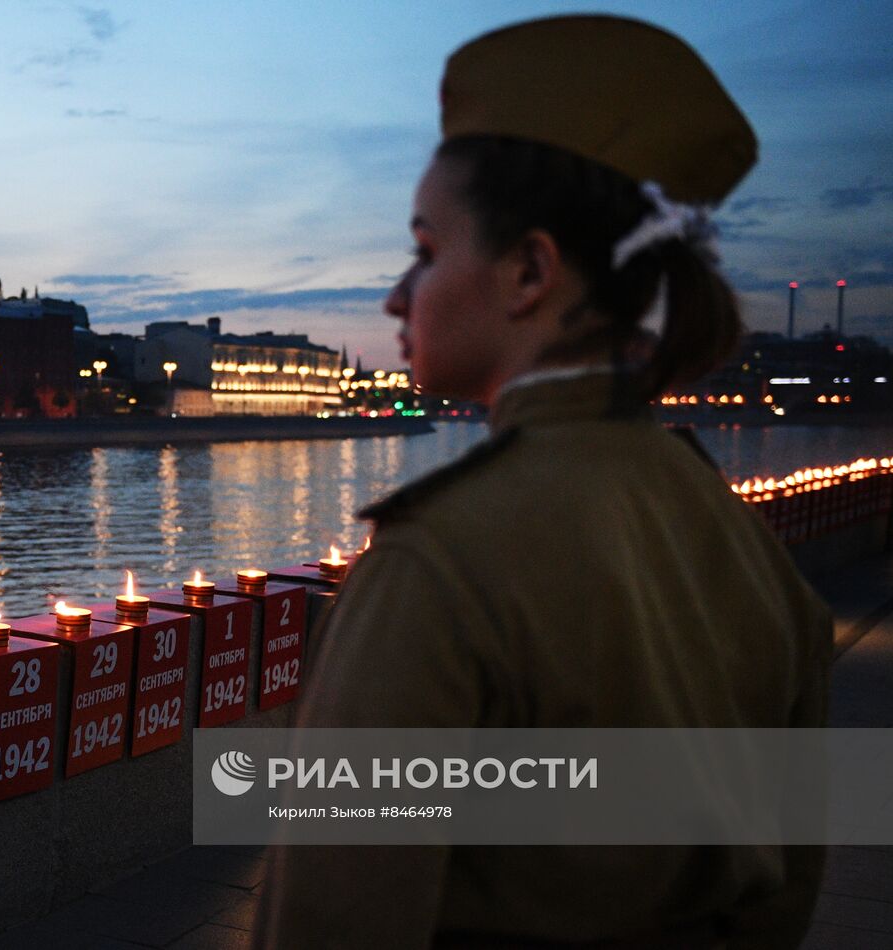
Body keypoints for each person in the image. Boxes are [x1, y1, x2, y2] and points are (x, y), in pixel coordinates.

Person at [254, 14, 832, 950]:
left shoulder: (443, 559)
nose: (396, 297)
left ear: (529, 270)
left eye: (427, 250)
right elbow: (787, 886)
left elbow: (332, 915)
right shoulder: (737, 540)